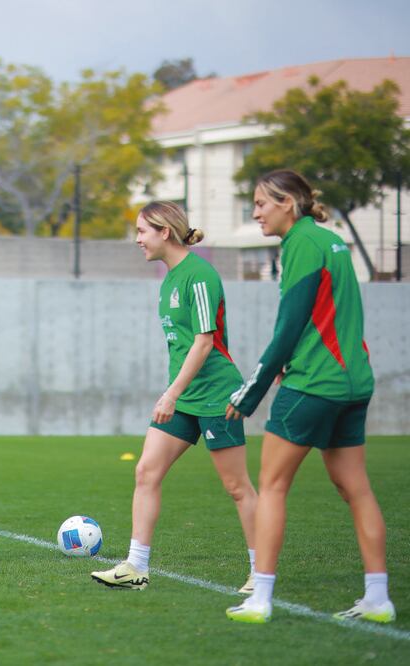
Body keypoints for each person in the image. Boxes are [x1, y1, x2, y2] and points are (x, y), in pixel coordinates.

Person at [225, 170, 393, 624]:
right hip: (354, 382)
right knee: (354, 488)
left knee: (274, 486)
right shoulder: (331, 239)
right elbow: (326, 315)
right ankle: (379, 598)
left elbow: (290, 324)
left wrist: (250, 392)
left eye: (261, 203)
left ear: (288, 203)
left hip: (313, 385)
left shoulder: (300, 242)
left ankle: (259, 598)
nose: (256, 212)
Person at [91, 201, 257, 591]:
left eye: (142, 231)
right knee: (146, 471)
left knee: (237, 487)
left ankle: (260, 570)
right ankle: (135, 566)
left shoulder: (198, 275)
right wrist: (175, 394)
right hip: (184, 396)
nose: (137, 240)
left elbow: (203, 343)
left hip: (216, 395)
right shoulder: (169, 279)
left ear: (165, 231)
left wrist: (170, 394)